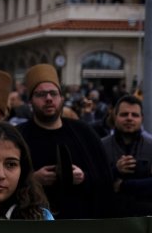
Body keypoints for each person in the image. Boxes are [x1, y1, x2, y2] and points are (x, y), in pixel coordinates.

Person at [16, 63, 113, 219]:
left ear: (61, 98)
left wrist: (83, 178)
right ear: (31, 101)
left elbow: (105, 179)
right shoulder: (18, 136)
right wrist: (33, 180)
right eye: (41, 94)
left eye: (53, 93)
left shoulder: (84, 133)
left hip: (79, 225)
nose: (48, 99)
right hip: (33, 224)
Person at [101, 95, 152, 216]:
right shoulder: (101, 146)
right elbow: (94, 181)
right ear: (115, 117)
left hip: (146, 218)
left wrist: (124, 185)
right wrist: (115, 170)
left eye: (135, 115)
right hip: (110, 218)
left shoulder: (150, 147)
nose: (129, 118)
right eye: (124, 114)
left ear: (142, 119)